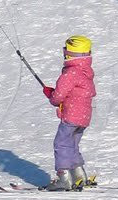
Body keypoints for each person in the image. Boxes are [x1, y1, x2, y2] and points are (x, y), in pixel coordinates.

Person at [41, 35, 96, 190]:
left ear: (68, 54)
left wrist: (51, 95)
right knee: (72, 144)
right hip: (84, 118)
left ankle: (64, 177)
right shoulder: (86, 71)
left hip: (71, 116)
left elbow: (58, 97)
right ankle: (79, 175)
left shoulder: (70, 73)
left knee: (61, 144)